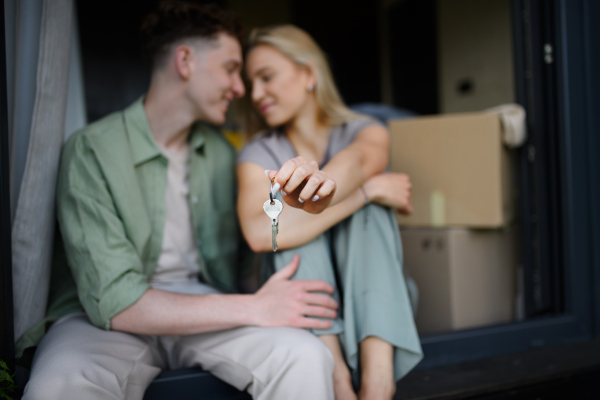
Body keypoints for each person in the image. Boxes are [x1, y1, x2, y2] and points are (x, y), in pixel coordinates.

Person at [20, 3, 342, 400]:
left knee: (305, 357)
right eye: (230, 68)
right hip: (99, 319)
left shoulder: (227, 155)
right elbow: (117, 303)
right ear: (185, 61)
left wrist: (299, 207)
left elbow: (250, 258)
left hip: (205, 303)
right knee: (58, 387)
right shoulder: (91, 150)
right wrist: (254, 308)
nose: (240, 88)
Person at [236, 25, 423, 400]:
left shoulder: (363, 130)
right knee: (286, 219)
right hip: (296, 298)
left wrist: (339, 192)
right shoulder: (257, 153)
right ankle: (336, 379)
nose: (256, 94)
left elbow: (359, 160)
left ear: (309, 74)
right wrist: (366, 193)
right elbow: (261, 234)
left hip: (372, 292)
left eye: (266, 77)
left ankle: (377, 381)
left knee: (369, 215)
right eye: (250, 83)